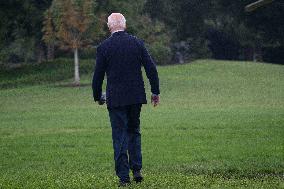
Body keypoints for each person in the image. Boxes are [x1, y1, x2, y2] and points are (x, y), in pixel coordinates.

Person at [92, 13, 160, 187]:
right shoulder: (137, 43)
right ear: (125, 25)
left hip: (115, 99)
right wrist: (155, 91)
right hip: (135, 97)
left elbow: (97, 76)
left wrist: (97, 96)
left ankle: (124, 178)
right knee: (134, 130)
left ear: (109, 27)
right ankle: (136, 169)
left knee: (119, 136)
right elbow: (151, 68)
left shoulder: (104, 47)